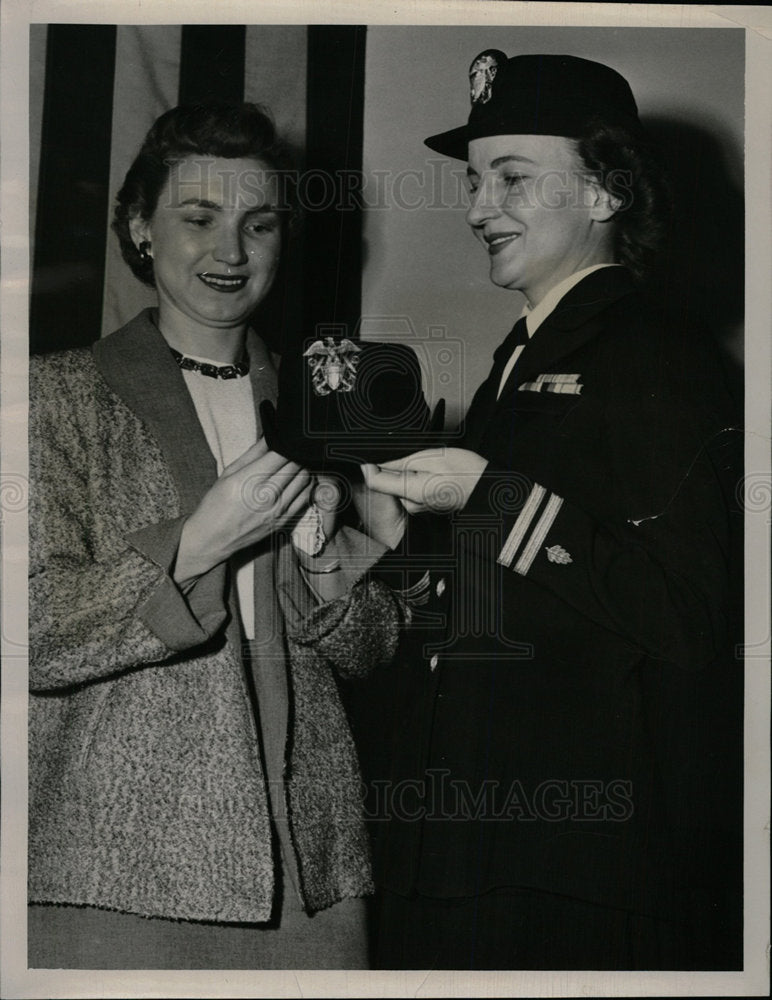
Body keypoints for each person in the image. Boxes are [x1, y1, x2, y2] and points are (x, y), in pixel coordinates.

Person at [358, 52, 743, 969]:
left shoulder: (657, 355)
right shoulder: (520, 361)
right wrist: (394, 547)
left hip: (580, 870)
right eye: (473, 179)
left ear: (608, 192)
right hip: (473, 850)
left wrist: (490, 496)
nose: (478, 206)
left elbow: (688, 616)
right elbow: (512, 609)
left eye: (513, 177)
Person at [27, 101, 402, 970]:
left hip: (310, 864)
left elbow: (376, 649)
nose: (230, 252)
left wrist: (322, 554)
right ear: (140, 228)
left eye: (257, 223)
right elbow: (32, 630)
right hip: (114, 864)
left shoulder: (324, 408)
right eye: (198, 219)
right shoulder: (54, 398)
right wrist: (194, 542)